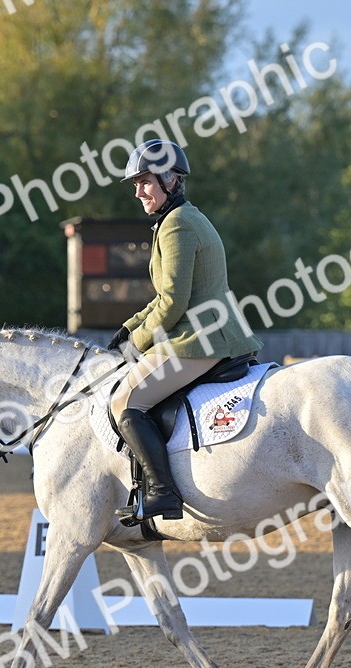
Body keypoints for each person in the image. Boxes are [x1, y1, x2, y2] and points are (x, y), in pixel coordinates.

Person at [108, 139, 263, 520]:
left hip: (201, 339)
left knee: (126, 403)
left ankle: (162, 492)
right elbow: (165, 296)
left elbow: (174, 302)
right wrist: (129, 328)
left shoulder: (177, 225)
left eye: (145, 182)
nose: (139, 192)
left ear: (169, 180)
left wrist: (138, 344)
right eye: (135, 185)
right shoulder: (181, 219)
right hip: (210, 331)